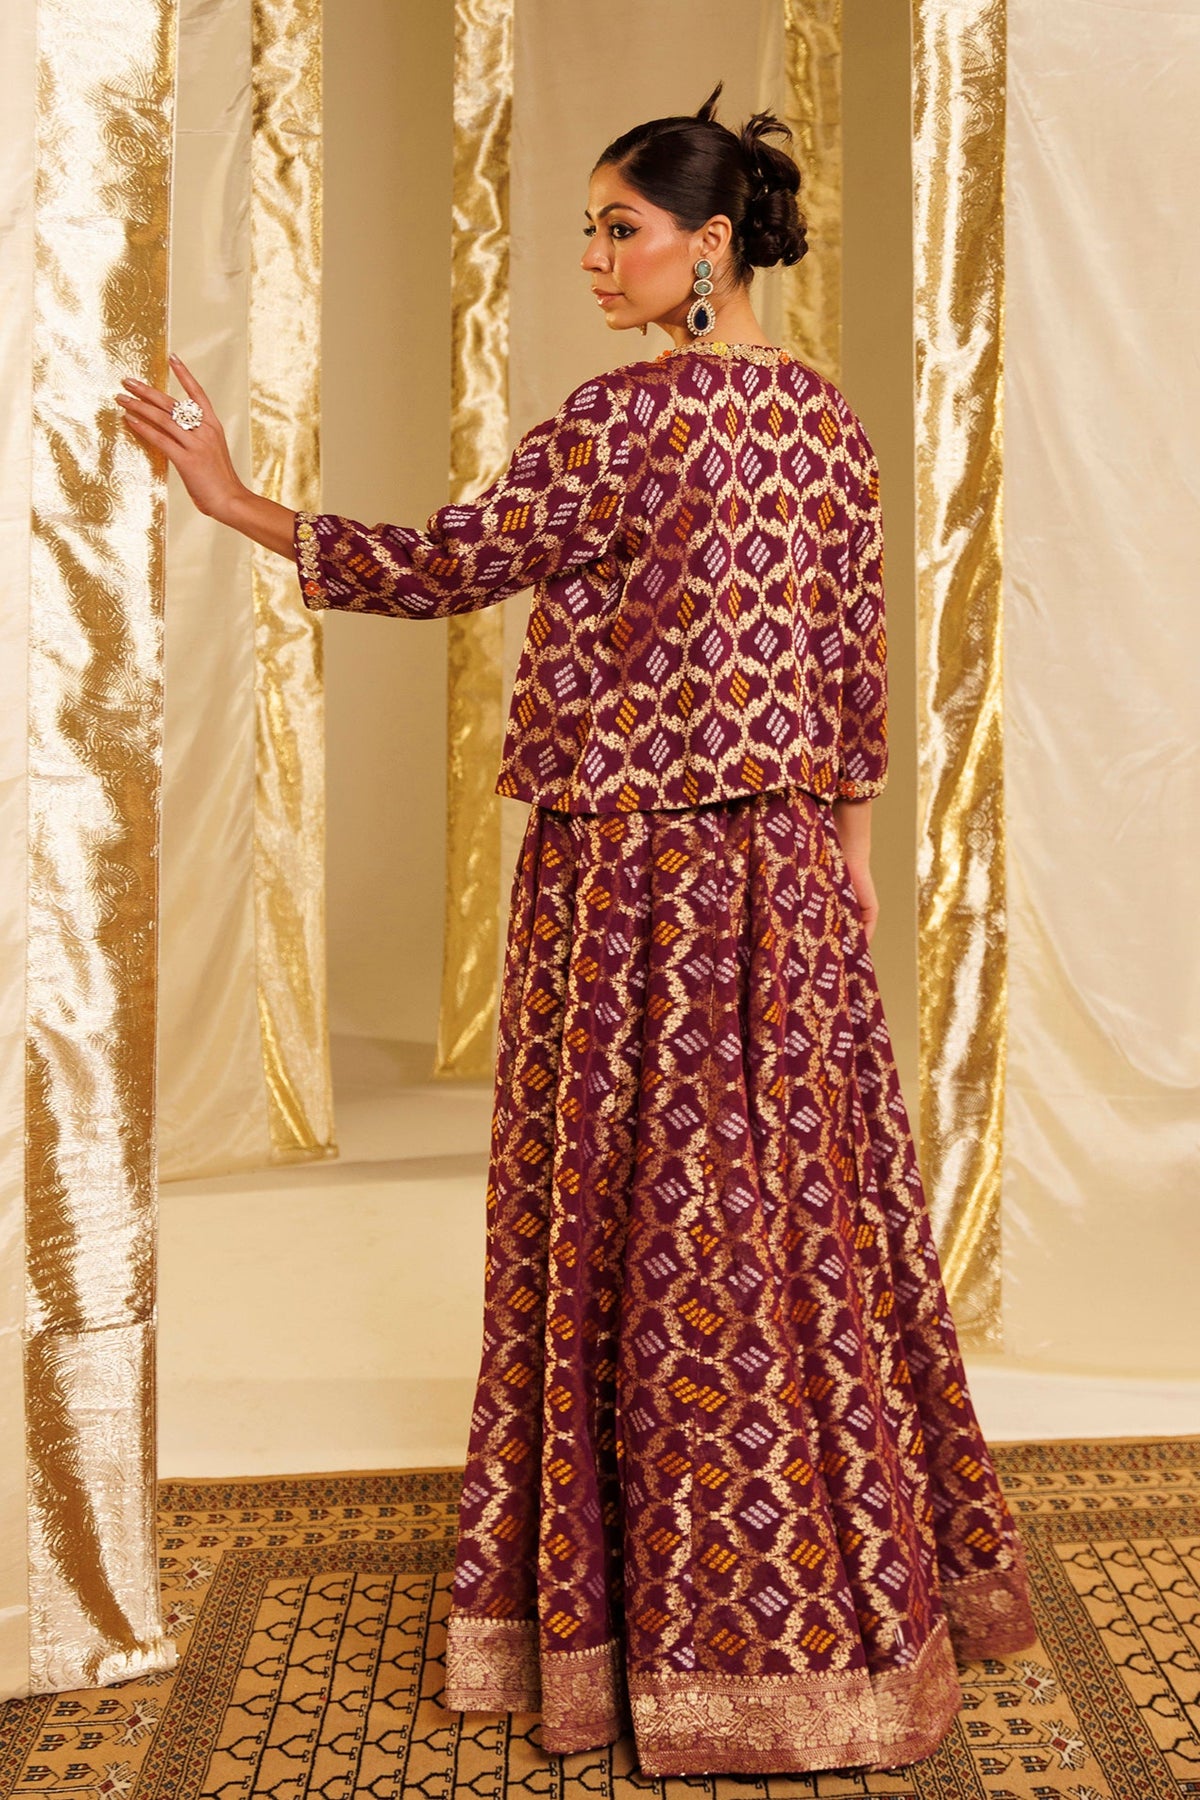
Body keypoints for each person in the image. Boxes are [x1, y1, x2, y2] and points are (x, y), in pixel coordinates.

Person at [119, 81, 1036, 1780]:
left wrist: (238, 505)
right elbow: (856, 672)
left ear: (711, 246)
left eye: (623, 230)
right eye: (589, 233)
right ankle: (837, 1614)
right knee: (788, 1227)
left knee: (639, 1232)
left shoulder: (617, 426)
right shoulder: (827, 426)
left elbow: (446, 561)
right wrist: (837, 862)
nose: (597, 261)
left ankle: (647, 1626)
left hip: (626, 892)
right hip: (788, 879)